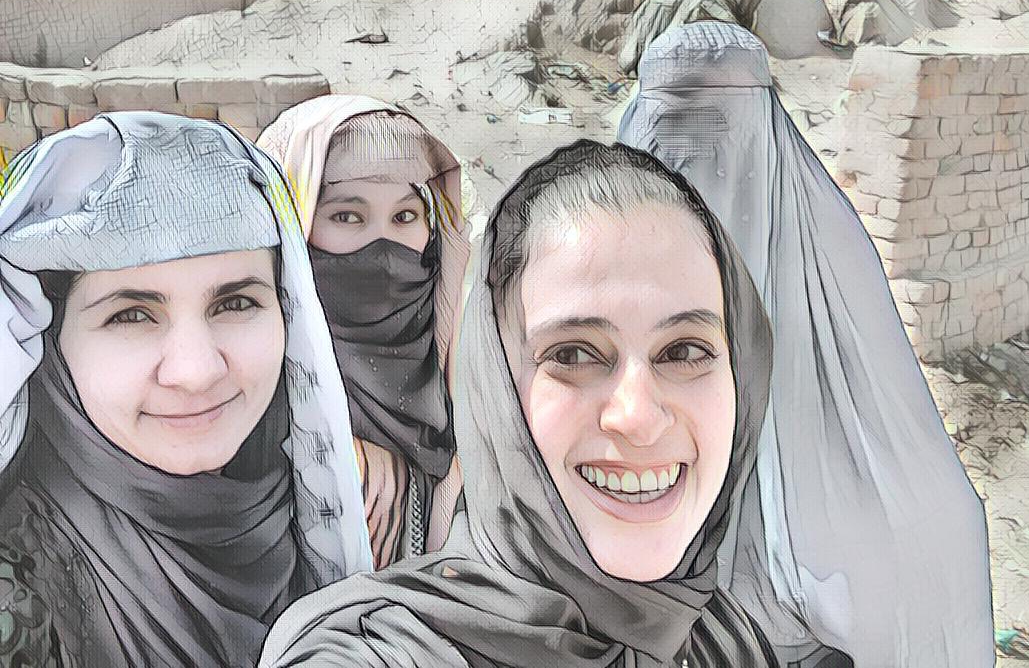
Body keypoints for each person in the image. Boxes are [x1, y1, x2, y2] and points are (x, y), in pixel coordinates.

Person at [259, 140, 778, 668]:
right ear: (496, 390)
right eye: (572, 354)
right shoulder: (387, 650)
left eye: (684, 351)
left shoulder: (721, 639)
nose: (639, 418)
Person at [618, 21, 995, 667]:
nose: (691, 170)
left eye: (715, 136)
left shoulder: (823, 265)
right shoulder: (600, 270)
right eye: (671, 137)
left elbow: (909, 497)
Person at [0, 112, 371, 667]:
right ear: (51, 341)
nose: (197, 371)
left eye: (236, 303)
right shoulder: (18, 593)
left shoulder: (308, 506)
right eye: (131, 315)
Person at [258, 96, 469, 567]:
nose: (384, 245)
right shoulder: (251, 406)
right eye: (347, 216)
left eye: (405, 216)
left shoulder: (472, 369)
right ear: (291, 225)